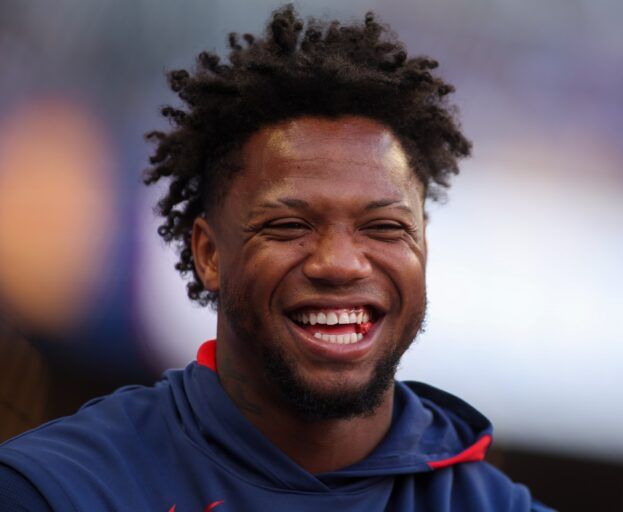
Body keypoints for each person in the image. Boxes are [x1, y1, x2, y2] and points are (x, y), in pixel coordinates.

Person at [0, 6, 552, 511]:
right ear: (209, 254)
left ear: (423, 247)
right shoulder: (54, 491)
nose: (340, 263)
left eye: (384, 227)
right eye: (289, 226)